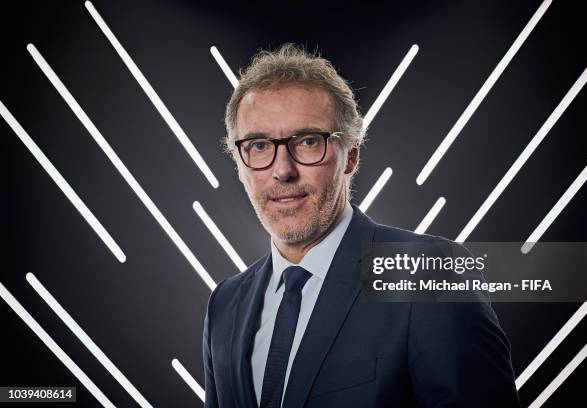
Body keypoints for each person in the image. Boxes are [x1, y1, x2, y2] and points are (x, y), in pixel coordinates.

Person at [203, 43, 520, 407]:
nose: (282, 170)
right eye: (259, 146)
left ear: (351, 155)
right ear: (239, 165)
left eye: (308, 141)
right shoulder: (224, 305)